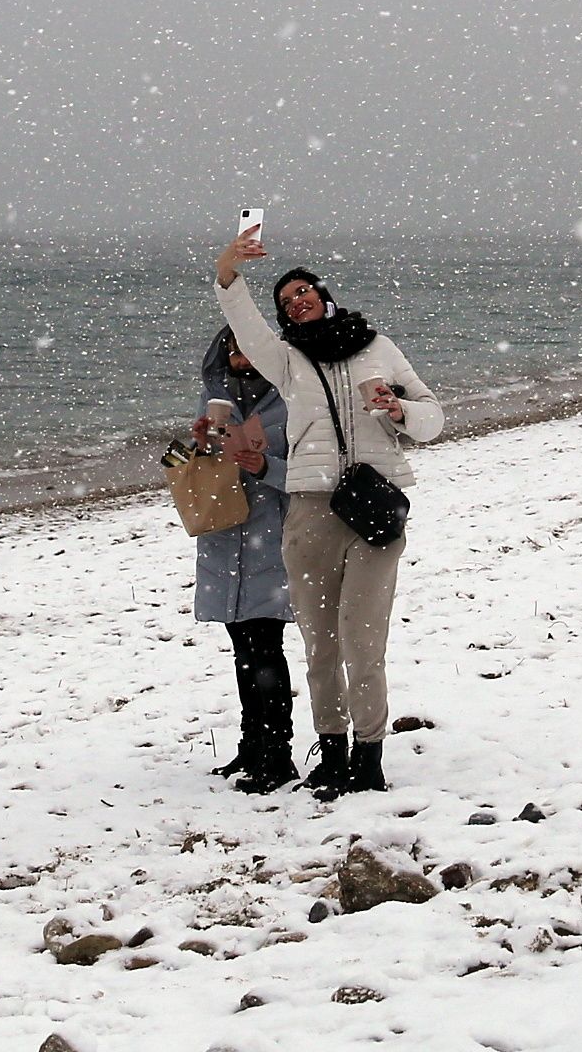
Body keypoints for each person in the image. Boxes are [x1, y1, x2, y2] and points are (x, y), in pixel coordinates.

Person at [214, 228, 443, 800]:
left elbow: (434, 417)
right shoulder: (286, 359)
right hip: (311, 510)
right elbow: (244, 325)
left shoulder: (378, 348)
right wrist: (227, 272)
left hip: (375, 508)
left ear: (324, 294)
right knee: (321, 643)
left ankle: (369, 755)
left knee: (363, 642)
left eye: (303, 291)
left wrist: (398, 410)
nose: (296, 300)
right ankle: (332, 751)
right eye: (286, 299)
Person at [191, 328, 297, 794]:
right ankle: (251, 746)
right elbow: (204, 465)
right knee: (243, 653)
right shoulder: (214, 399)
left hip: (269, 538)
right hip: (223, 534)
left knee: (266, 649)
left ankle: (278, 756)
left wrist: (264, 466)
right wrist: (201, 448)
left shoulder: (291, 399)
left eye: (248, 348)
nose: (240, 358)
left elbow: (312, 472)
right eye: (233, 349)